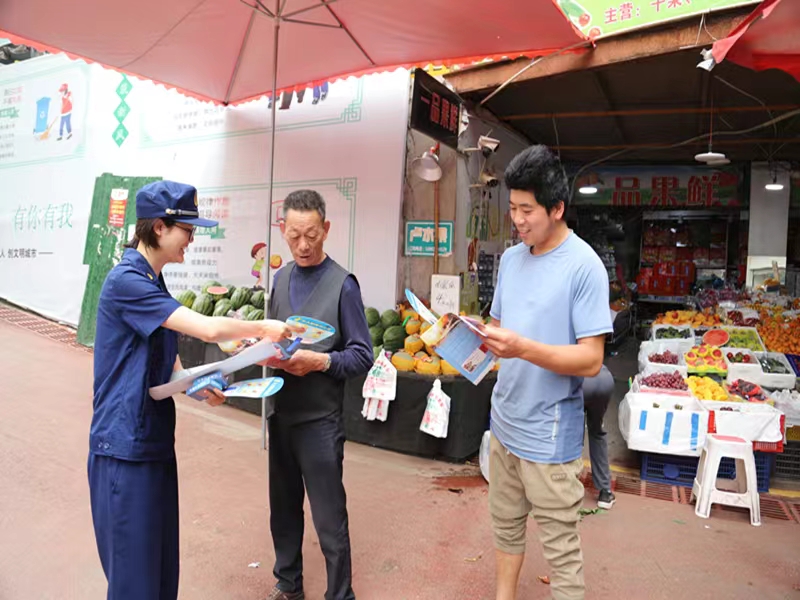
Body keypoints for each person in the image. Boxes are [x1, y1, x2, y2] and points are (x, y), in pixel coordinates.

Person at [87, 180, 297, 600]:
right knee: (135, 583)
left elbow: (170, 365)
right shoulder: (126, 281)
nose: (192, 239)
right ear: (160, 228)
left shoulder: (153, 280)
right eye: (188, 229)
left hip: (152, 444)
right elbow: (209, 328)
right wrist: (263, 328)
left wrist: (200, 385)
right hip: (123, 449)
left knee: (162, 575)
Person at [479, 145, 614, 600]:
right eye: (512, 208)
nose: (517, 220)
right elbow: (499, 330)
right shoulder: (513, 260)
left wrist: (524, 348)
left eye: (527, 211)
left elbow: (590, 359)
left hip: (550, 436)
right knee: (505, 527)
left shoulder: (584, 267)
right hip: (505, 424)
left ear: (557, 208)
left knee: (560, 550)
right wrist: (471, 338)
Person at [261, 189, 373, 600]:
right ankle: (288, 584)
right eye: (294, 236)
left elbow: (363, 355)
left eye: (312, 234)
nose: (303, 245)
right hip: (282, 413)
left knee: (329, 519)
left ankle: (340, 594)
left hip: (320, 422)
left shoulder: (343, 286)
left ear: (326, 229)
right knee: (283, 510)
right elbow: (273, 337)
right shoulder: (281, 278)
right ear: (283, 231)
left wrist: (321, 362)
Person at [582, 364, 616, 510]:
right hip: (604, 378)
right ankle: (605, 492)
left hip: (580, 381)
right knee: (596, 431)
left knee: (572, 432)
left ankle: (568, 485)